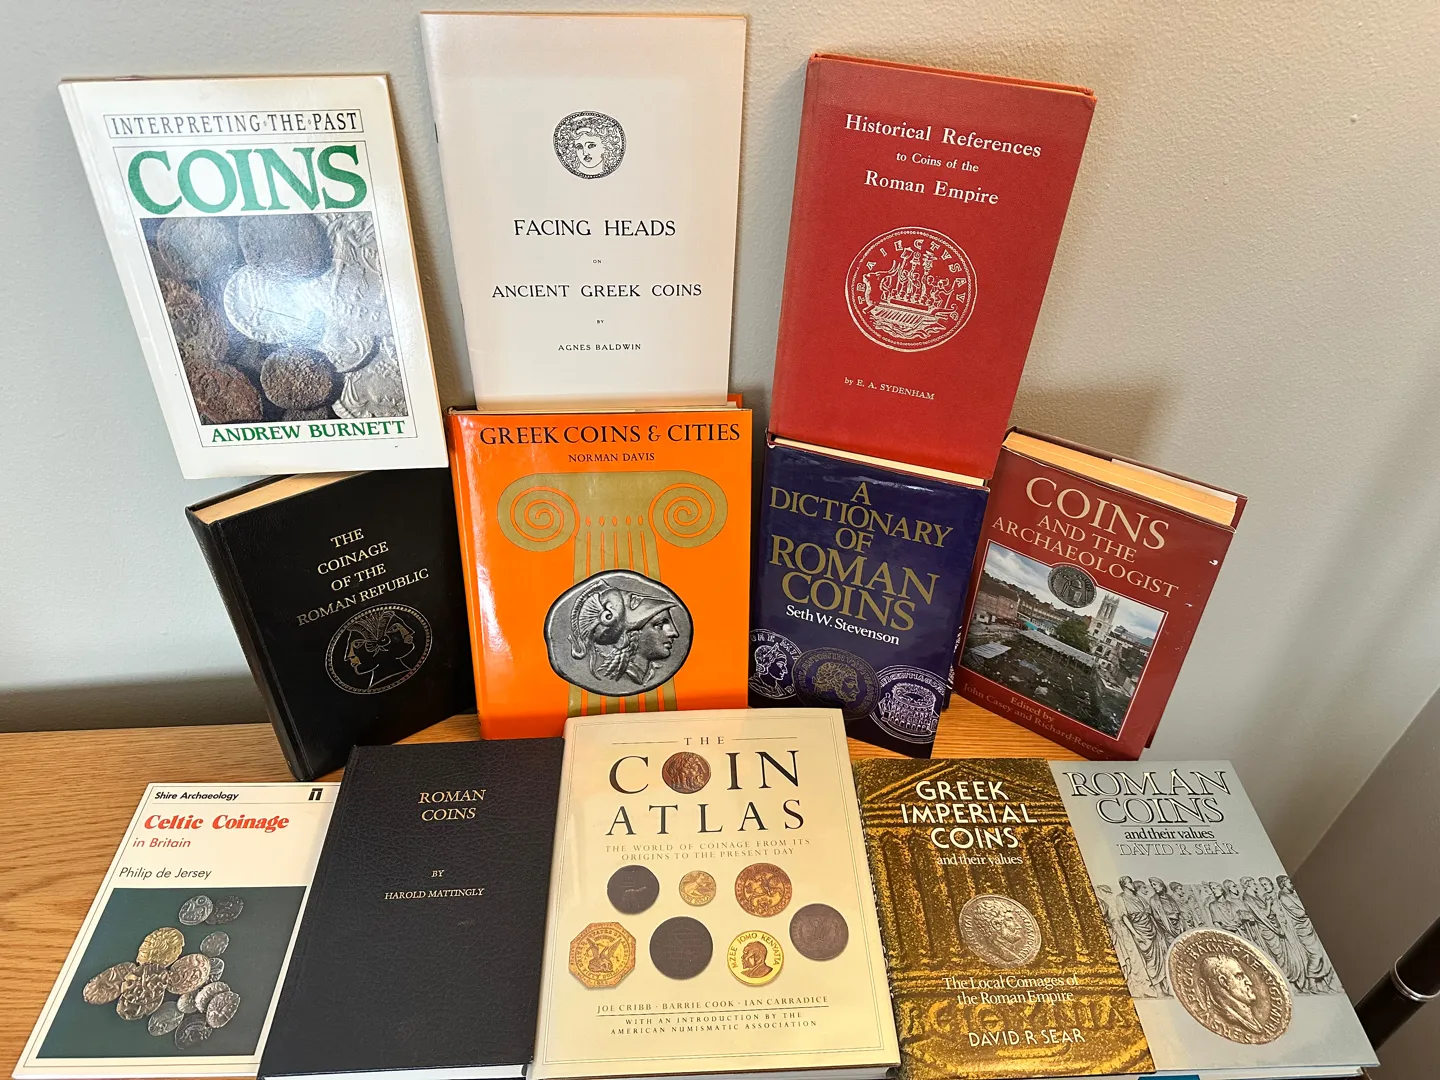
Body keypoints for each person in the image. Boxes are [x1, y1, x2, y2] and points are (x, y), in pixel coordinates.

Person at [1274, 876, 1341, 992]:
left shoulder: (1292, 894)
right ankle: (1311, 983)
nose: (1292, 884)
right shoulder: (1283, 897)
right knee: (1316, 955)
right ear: (1283, 883)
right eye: (1290, 882)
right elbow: (1299, 913)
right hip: (1303, 929)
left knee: (1322, 955)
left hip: (1308, 926)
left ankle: (1324, 983)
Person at [1195, 953, 1269, 1038]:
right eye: (1239, 977)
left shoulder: (1250, 1019)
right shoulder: (1227, 1016)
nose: (1249, 982)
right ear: (1224, 982)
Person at [1119, 877, 1169, 993]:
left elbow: (1149, 914)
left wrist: (1157, 930)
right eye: (1130, 882)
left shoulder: (1138, 897)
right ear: (1125, 885)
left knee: (1160, 958)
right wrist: (1135, 934)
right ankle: (1158, 989)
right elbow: (1124, 918)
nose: (1132, 884)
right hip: (1140, 931)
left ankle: (1164, 986)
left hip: (1151, 928)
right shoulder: (1121, 898)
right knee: (1150, 960)